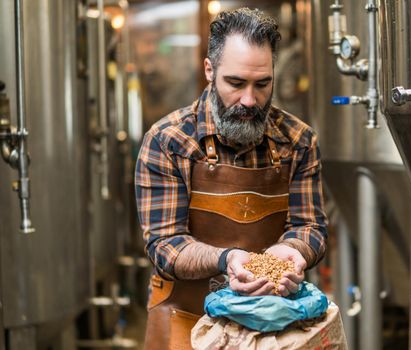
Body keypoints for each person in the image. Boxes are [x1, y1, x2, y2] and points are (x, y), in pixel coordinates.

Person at [135, 7, 327, 349]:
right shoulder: (170, 140)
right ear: (210, 70)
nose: (249, 100)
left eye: (262, 84)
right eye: (236, 83)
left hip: (274, 323)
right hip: (186, 320)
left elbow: (310, 226)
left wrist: (292, 249)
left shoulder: (298, 141)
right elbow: (164, 245)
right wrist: (228, 260)